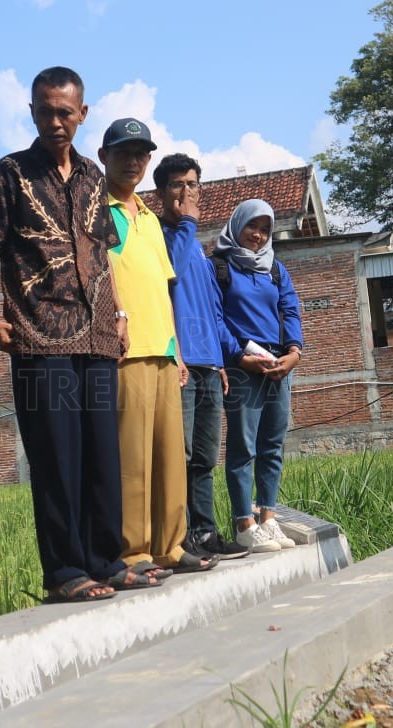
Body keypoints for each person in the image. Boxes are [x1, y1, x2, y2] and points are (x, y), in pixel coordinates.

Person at [0, 68, 157, 603]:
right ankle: (66, 572)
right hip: (39, 335)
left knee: (102, 455)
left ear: (83, 114)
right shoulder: (8, 175)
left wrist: (119, 315)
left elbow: (102, 255)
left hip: (97, 336)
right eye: (45, 111)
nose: (55, 121)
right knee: (57, 457)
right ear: (31, 111)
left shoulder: (96, 177)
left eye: (65, 112)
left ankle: (107, 560)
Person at [99, 118, 216, 575]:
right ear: (104, 156)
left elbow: (167, 286)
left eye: (140, 153)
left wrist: (180, 352)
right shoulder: (98, 212)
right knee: (134, 461)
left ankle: (171, 546)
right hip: (127, 351)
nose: (132, 161)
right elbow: (102, 276)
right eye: (123, 152)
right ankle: (135, 552)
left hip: (166, 349)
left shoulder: (147, 217)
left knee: (171, 459)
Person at [152, 153, 249, 560]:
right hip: (181, 366)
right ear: (161, 192)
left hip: (209, 367)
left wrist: (223, 362)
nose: (186, 192)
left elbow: (211, 310)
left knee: (206, 456)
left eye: (192, 184)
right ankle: (181, 537)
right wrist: (185, 222)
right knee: (182, 454)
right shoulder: (159, 236)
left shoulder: (198, 248)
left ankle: (206, 533)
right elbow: (166, 273)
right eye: (177, 184)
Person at [214, 199, 303, 553]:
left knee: (272, 445)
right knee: (243, 446)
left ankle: (268, 515)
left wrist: (294, 353)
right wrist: (238, 356)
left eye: (265, 229)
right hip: (242, 367)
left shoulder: (276, 269)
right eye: (253, 226)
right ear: (237, 226)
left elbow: (290, 309)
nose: (258, 235)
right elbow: (215, 318)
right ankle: (243, 522)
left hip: (278, 364)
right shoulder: (219, 267)